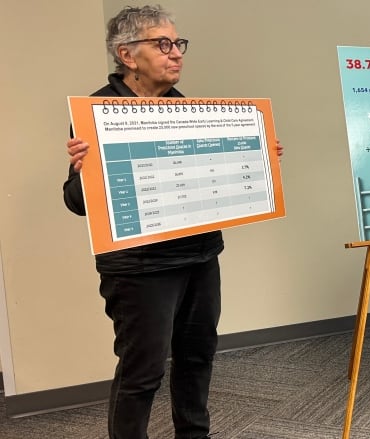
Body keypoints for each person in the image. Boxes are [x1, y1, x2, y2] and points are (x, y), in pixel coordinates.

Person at [63, 5, 282, 438]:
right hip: (139, 270)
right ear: (127, 55)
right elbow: (75, 203)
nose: (176, 53)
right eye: (162, 44)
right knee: (142, 372)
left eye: (178, 44)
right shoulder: (99, 113)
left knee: (198, 356)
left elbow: (205, 183)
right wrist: (83, 171)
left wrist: (256, 160)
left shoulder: (190, 109)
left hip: (199, 256)